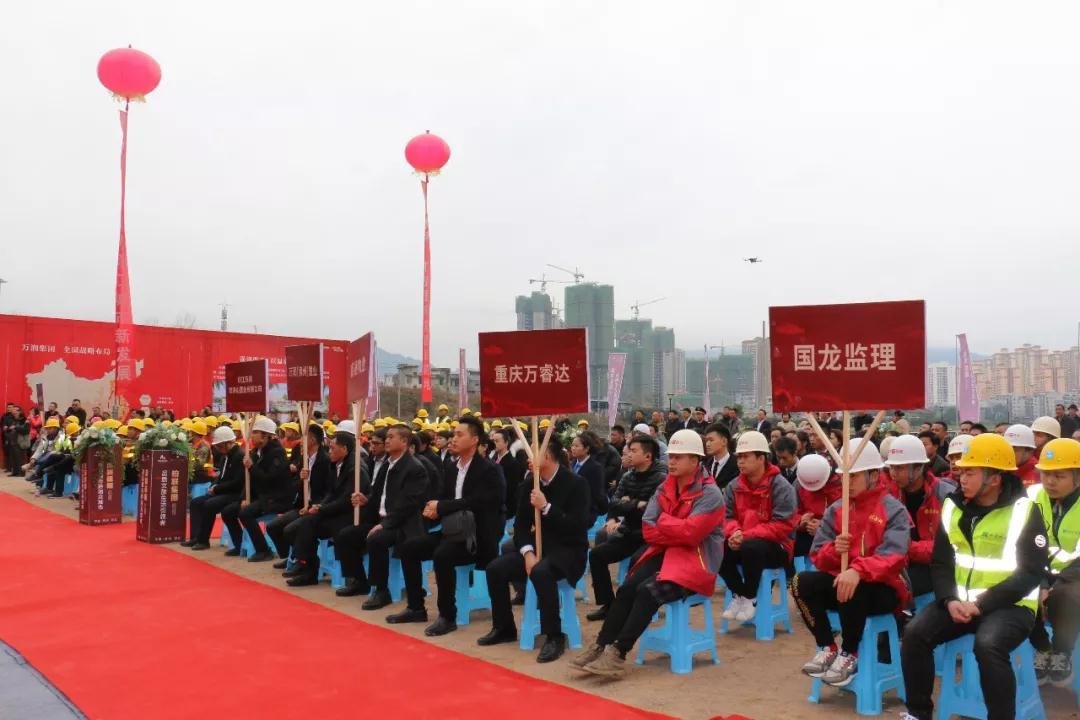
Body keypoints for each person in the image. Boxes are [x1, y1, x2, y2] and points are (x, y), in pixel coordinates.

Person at [899, 432, 1047, 720]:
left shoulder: (1024, 510)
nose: (961, 478)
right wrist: (949, 599)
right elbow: (941, 562)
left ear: (994, 478)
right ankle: (917, 713)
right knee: (915, 634)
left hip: (1011, 607)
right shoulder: (953, 507)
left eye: (970, 472)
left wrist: (981, 604)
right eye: (961, 471)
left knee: (988, 645)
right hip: (960, 603)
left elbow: (1030, 573)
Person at [571, 430, 725, 678]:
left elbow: (691, 536)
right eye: (671, 456)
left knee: (647, 591)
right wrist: (674, 527)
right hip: (667, 552)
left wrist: (666, 524)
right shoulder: (666, 487)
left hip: (696, 561)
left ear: (695, 461)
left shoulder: (710, 494)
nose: (671, 461)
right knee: (628, 587)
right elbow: (648, 527)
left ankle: (618, 653)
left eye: (678, 457)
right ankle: (602, 644)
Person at [793, 439, 912, 686]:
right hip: (843, 583)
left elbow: (895, 556)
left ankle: (851, 653)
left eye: (854, 476)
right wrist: (835, 551)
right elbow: (818, 556)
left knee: (852, 587)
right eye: (844, 477)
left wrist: (858, 569)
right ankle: (827, 645)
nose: (848, 483)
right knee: (800, 583)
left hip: (883, 588)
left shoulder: (893, 509)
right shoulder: (837, 509)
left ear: (873, 474)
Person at [480, 435, 589, 663]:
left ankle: (554, 635)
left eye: (533, 453)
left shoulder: (576, 484)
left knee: (542, 572)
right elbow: (520, 525)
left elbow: (578, 525)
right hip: (538, 549)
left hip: (568, 551)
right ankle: (504, 628)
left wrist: (546, 507)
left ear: (547, 456)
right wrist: (527, 552)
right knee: (495, 569)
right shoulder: (529, 483)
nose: (528, 458)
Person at [392, 416, 502, 634]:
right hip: (451, 532)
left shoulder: (489, 470)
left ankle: (447, 616)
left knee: (443, 555)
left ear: (475, 439)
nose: (454, 439)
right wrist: (432, 509)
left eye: (460, 435)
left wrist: (441, 506)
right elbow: (443, 497)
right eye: (454, 434)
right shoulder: (452, 468)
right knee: (408, 548)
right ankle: (416, 607)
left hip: (476, 537)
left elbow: (479, 503)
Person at [334, 425, 429, 607]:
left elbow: (409, 505)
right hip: (382, 520)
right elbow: (377, 494)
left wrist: (386, 524)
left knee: (376, 540)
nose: (387, 440)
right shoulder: (387, 464)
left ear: (404, 441)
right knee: (345, 534)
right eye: (387, 437)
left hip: (404, 524)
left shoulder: (415, 468)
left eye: (391, 437)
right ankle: (359, 580)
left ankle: (381, 590)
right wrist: (365, 500)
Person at [586, 434, 666, 621]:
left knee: (636, 563)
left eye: (633, 451)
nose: (628, 454)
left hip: (650, 536)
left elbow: (652, 510)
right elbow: (613, 503)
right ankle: (608, 604)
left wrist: (629, 502)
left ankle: (631, 607)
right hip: (629, 532)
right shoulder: (628, 476)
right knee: (596, 554)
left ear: (648, 456)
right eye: (628, 450)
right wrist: (634, 505)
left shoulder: (661, 478)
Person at [719, 430, 798, 622]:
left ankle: (750, 596)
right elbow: (726, 518)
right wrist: (734, 532)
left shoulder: (780, 486)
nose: (740, 462)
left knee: (752, 546)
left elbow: (782, 525)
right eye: (739, 457)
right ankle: (740, 593)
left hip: (777, 547)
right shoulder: (733, 486)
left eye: (746, 457)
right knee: (715, 546)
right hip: (744, 541)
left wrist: (745, 535)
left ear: (761, 458)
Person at [1027, 437, 1080, 686]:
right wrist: (1042, 583)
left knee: (1068, 595)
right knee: (1019, 588)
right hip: (1040, 572)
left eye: (1058, 476)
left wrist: (1055, 585)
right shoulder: (1032, 497)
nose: (1049, 481)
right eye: (1045, 474)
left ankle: (1062, 652)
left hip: (1073, 579)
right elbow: (1022, 546)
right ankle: (1042, 646)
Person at [282, 431, 364, 586]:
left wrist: (321, 509)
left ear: (345, 449)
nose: (329, 451)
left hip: (348, 516)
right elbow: (330, 493)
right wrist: (319, 506)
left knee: (307, 525)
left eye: (333, 448)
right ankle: (307, 567)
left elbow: (345, 500)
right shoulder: (336, 465)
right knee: (304, 524)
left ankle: (308, 568)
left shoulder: (354, 469)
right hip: (333, 511)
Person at [882, 434, 956, 599]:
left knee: (891, 591)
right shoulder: (888, 496)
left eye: (899, 468)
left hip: (936, 568)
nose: (893, 473)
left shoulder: (945, 495)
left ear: (918, 467)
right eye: (891, 468)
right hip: (899, 563)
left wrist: (906, 547)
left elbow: (949, 547)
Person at [220, 416, 293, 562]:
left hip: (276, 497)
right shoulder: (254, 452)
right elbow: (251, 482)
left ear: (265, 436)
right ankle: (239, 544)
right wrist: (243, 498)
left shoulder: (277, 453)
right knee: (228, 512)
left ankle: (264, 550)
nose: (251, 436)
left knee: (246, 513)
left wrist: (252, 467)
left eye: (255, 433)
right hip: (260, 496)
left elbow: (268, 479)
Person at [264, 423, 331, 568]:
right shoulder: (305, 459)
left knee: (291, 530)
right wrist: (301, 478)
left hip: (316, 507)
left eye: (304, 437)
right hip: (301, 505)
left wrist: (315, 506)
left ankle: (301, 561)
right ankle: (290, 555)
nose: (301, 441)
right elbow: (294, 486)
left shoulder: (325, 461)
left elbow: (329, 491)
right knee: (273, 527)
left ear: (313, 440)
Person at [184, 426, 245, 550]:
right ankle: (196, 537)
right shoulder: (225, 456)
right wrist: (213, 486)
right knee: (196, 503)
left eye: (220, 445)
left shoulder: (239, 456)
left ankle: (203, 540)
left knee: (209, 505)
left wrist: (217, 488)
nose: (217, 448)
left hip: (234, 494)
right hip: (222, 491)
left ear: (228, 443)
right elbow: (220, 476)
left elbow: (237, 482)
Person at [792, 454, 842, 568]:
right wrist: (801, 521)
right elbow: (790, 513)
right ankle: (795, 576)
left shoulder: (841, 485)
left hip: (831, 535)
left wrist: (823, 527)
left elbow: (847, 519)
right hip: (805, 533)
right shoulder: (799, 483)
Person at [569, 431, 608, 526]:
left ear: (586, 449)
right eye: (572, 445)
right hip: (571, 509)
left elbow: (596, 493)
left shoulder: (595, 467)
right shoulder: (572, 464)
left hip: (586, 511)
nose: (573, 448)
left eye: (577, 446)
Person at [703, 423, 738, 489]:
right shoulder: (704, 464)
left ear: (724, 441)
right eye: (706, 441)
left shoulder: (737, 465)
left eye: (711, 440)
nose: (707, 444)